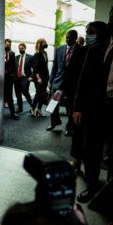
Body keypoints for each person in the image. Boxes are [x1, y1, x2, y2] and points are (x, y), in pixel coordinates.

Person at [73, 7, 113, 203]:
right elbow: (84, 81)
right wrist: (78, 107)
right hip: (95, 108)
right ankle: (92, 185)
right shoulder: (95, 49)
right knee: (92, 151)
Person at [60, 22, 109, 175]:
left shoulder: (105, 51)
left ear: (101, 33)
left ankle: (91, 167)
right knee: (78, 131)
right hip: (77, 97)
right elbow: (69, 73)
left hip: (96, 100)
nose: (88, 35)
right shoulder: (81, 51)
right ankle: (76, 160)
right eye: (87, 32)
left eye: (92, 32)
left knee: (93, 138)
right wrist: (61, 90)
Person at [47, 30, 78, 134]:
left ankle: (69, 127)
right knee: (52, 104)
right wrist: (50, 82)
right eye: (67, 37)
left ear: (76, 38)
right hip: (57, 82)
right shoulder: (60, 49)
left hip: (72, 83)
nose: (68, 39)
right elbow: (54, 67)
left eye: (71, 37)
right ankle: (54, 122)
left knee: (70, 107)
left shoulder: (81, 50)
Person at [31, 38, 49, 117]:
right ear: (40, 44)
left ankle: (39, 109)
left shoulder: (45, 53)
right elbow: (35, 68)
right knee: (38, 93)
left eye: (45, 42)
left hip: (45, 77)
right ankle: (32, 108)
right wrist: (38, 78)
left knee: (43, 94)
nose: (45, 43)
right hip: (39, 78)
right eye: (44, 42)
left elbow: (45, 66)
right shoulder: (37, 54)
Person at [14, 43, 34, 113]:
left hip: (25, 77)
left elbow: (34, 68)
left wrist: (31, 77)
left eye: (22, 48)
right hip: (17, 78)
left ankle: (32, 106)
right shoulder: (16, 57)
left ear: (25, 48)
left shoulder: (30, 57)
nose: (20, 49)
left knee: (25, 92)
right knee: (17, 93)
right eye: (19, 48)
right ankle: (20, 108)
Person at [4, 39, 19, 119]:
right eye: (7, 45)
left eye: (9, 45)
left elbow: (14, 66)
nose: (8, 46)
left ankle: (12, 113)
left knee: (9, 96)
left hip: (9, 79)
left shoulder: (12, 53)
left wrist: (13, 76)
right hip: (0, 78)